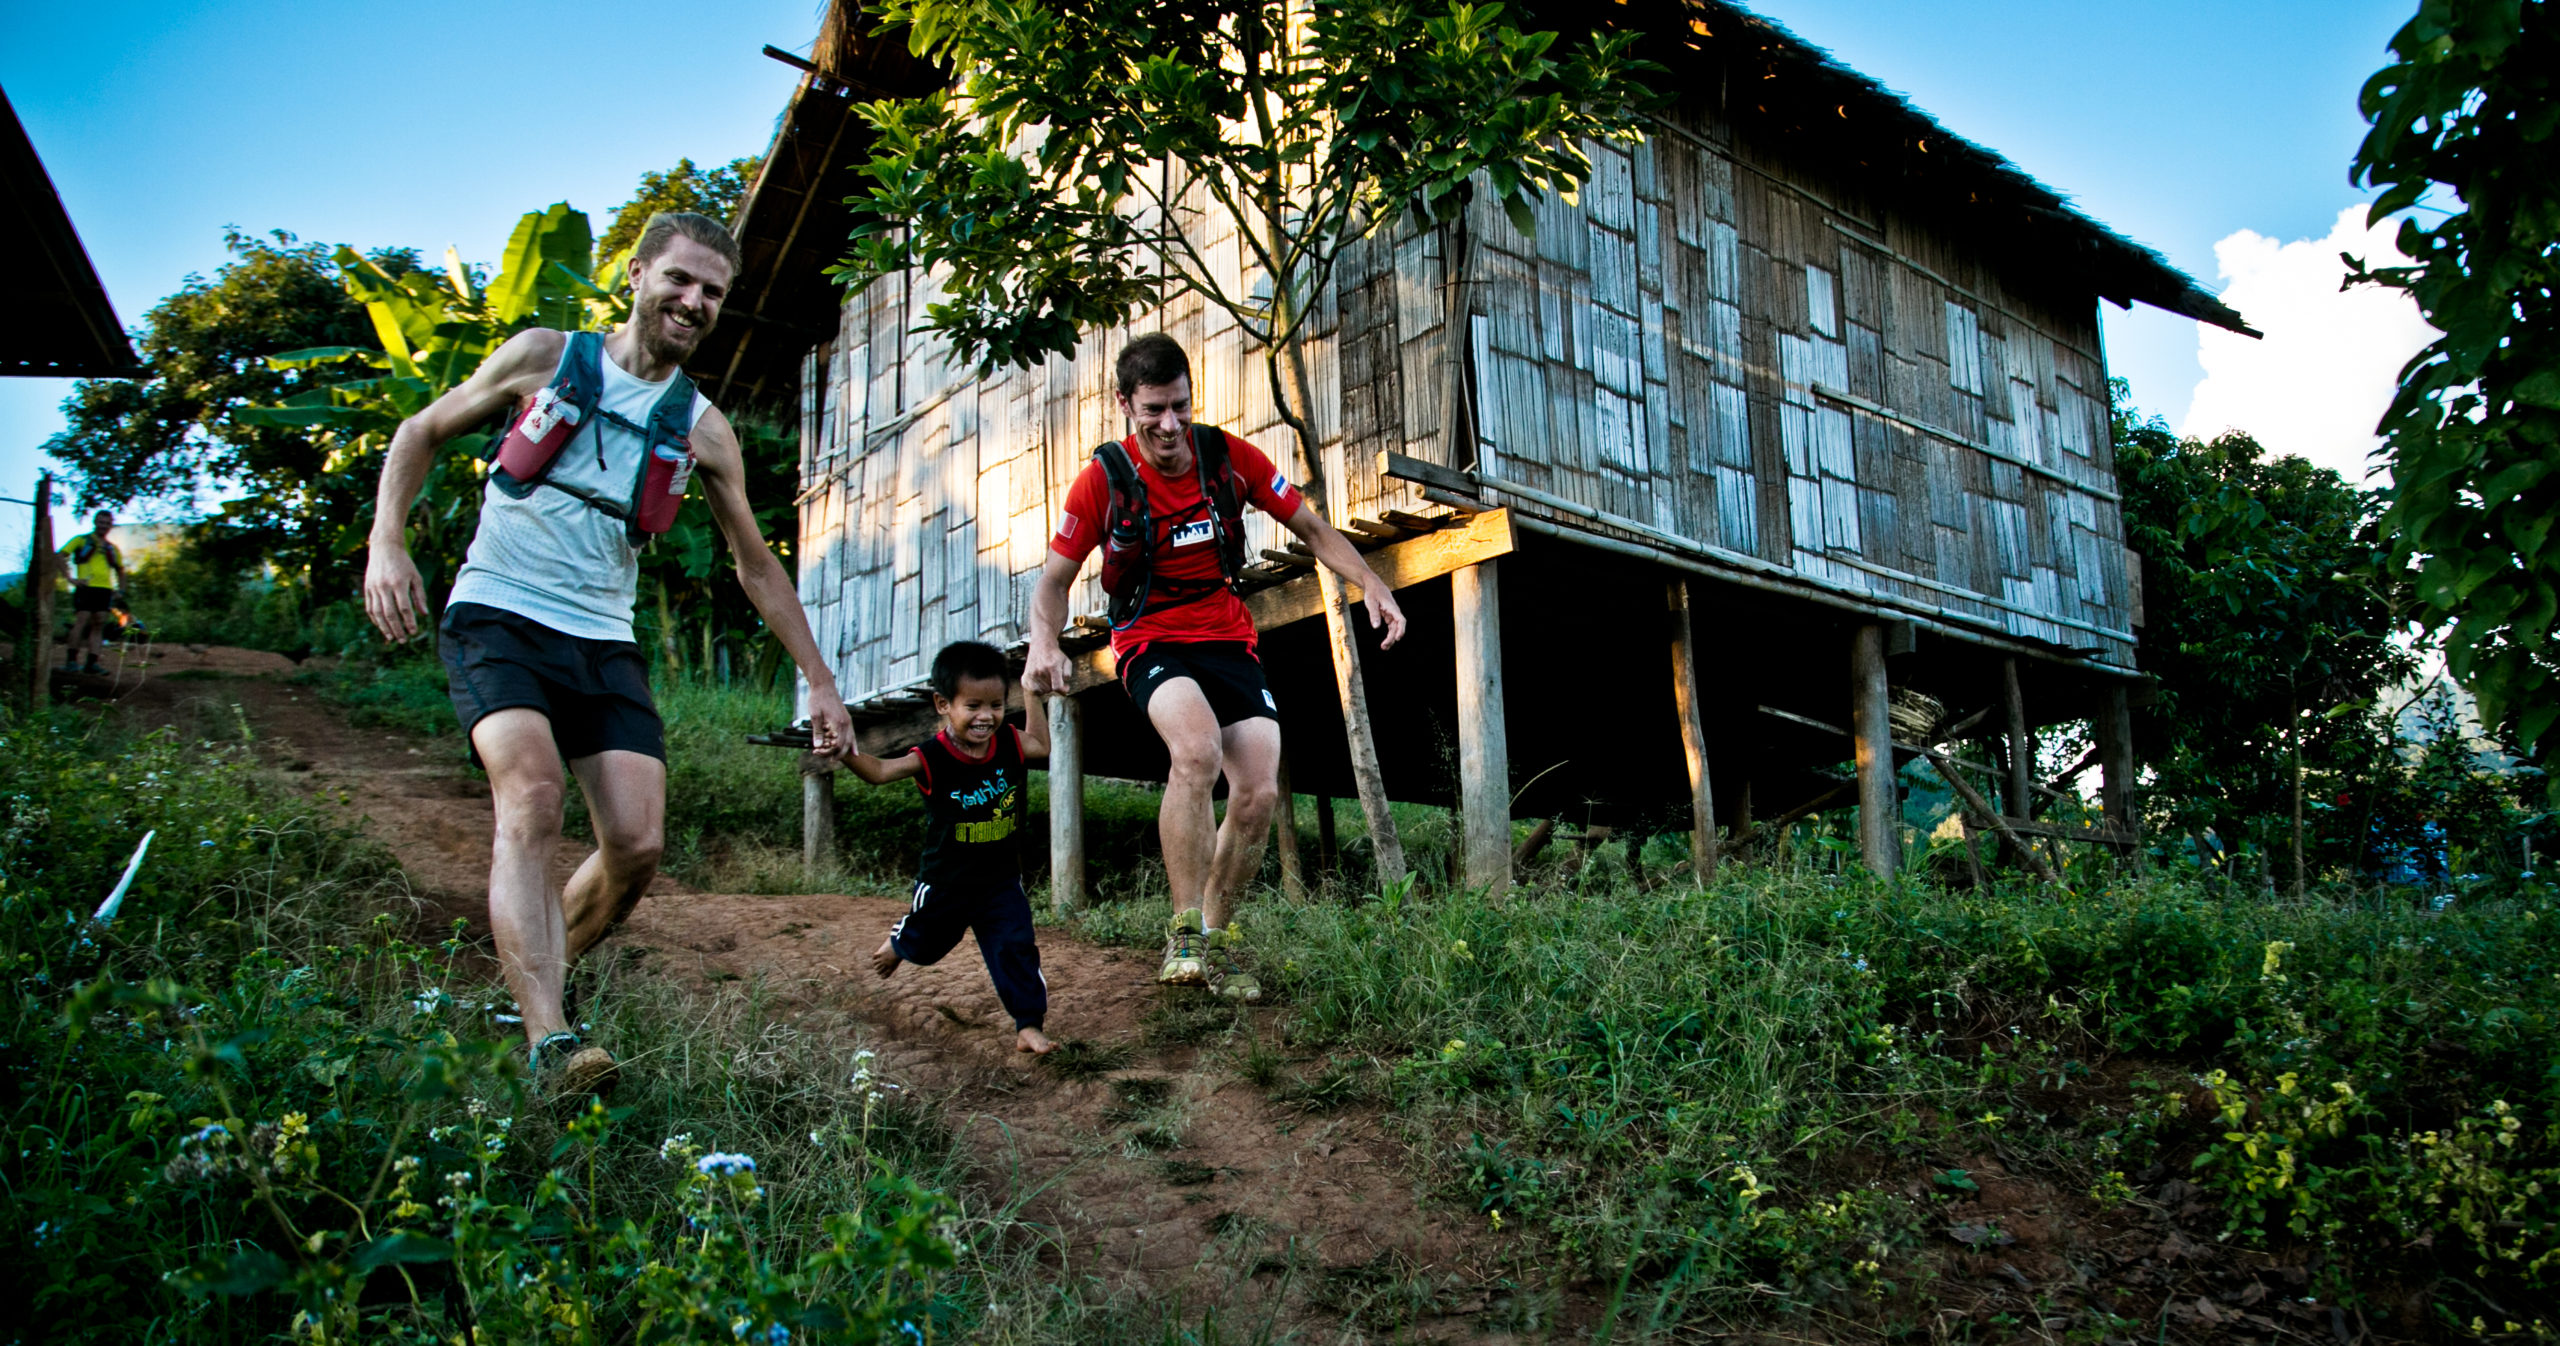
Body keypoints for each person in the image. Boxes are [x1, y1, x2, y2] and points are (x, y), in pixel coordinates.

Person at [362, 212, 853, 1097]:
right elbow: (419, 432)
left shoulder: (703, 428)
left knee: (636, 843)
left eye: (712, 292)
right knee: (534, 794)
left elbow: (754, 563)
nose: (694, 302)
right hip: (499, 613)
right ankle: (551, 1039)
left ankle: (529, 983)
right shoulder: (546, 357)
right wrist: (386, 543)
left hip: (601, 637)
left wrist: (819, 679)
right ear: (637, 274)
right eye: (680, 280)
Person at [1023, 334, 1406, 1002]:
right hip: (1149, 637)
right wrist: (1043, 643)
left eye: (1180, 406)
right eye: (1153, 411)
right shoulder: (1104, 481)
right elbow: (1054, 581)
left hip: (1227, 637)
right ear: (1125, 405)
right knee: (1196, 753)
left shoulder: (1229, 459)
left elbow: (1314, 530)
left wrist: (1371, 582)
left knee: (1258, 791)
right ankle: (1183, 933)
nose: (1169, 425)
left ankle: (1218, 938)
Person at [846, 640, 1057, 1055]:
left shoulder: (1012, 743)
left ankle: (1028, 1025)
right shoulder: (931, 757)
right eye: (973, 706)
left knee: (1016, 947)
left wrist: (1032, 691)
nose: (986, 716)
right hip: (945, 883)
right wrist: (844, 751)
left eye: (996, 705)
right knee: (927, 947)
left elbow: (1042, 745)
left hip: (999, 882)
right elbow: (880, 771)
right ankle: (900, 941)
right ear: (943, 704)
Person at [56, 509, 127, 674]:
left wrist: (121, 591)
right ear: (95, 522)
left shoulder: (112, 548)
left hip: (105, 590)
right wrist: (70, 578)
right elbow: (60, 555)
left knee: (99, 623)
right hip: (86, 587)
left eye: (107, 523)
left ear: (111, 525)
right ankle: (71, 662)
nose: (104, 526)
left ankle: (92, 663)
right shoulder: (81, 540)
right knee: (81, 620)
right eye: (101, 522)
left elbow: (121, 570)